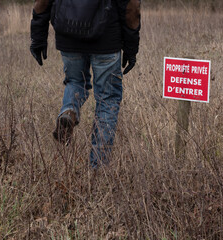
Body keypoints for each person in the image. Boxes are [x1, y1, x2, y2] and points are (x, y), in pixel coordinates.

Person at [30, 0, 141, 168]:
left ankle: (69, 111)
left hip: (68, 34)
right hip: (107, 41)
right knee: (107, 98)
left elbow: (42, 2)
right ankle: (98, 166)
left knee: (75, 81)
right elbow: (132, 7)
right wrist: (131, 47)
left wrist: (38, 36)